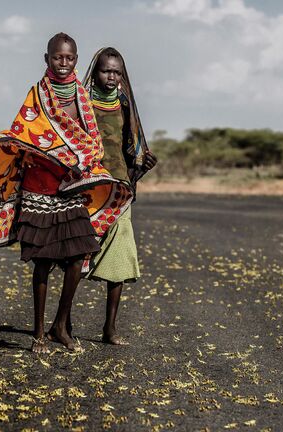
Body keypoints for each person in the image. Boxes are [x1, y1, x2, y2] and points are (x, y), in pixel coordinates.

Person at [0, 33, 132, 353]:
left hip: (71, 188)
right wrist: (49, 151)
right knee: (42, 262)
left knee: (78, 255)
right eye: (58, 58)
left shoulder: (82, 96)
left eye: (69, 59)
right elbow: (23, 134)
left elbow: (91, 140)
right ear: (47, 59)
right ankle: (39, 332)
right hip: (39, 187)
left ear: (76, 60)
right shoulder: (37, 95)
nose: (64, 63)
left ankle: (60, 325)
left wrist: (79, 162)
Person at [82, 47, 157, 345]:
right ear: (95, 71)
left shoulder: (125, 102)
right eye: (106, 71)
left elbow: (132, 147)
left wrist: (143, 165)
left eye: (117, 72)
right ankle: (62, 326)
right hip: (86, 188)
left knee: (121, 257)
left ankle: (109, 329)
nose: (111, 77)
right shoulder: (82, 101)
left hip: (119, 188)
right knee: (74, 258)